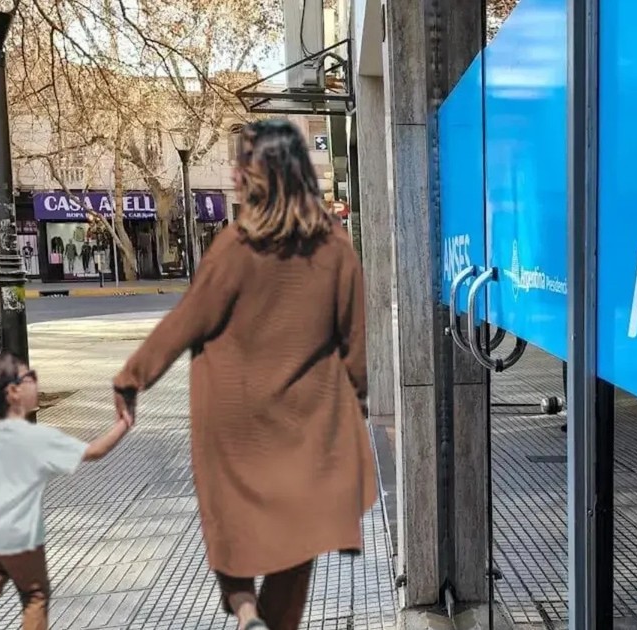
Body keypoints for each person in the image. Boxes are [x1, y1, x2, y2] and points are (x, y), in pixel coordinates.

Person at [112, 119, 375, 630]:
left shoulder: (238, 246)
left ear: (264, 174)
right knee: (295, 537)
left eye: (241, 165)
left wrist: (132, 376)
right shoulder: (335, 247)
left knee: (231, 523)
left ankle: (244, 607)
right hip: (306, 424)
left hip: (233, 424)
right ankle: (270, 620)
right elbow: (356, 343)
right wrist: (355, 406)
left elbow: (187, 320)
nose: (234, 174)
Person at [0, 354, 132, 629]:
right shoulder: (38, 438)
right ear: (13, 392)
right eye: (30, 377)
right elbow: (94, 451)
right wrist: (124, 422)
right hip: (19, 535)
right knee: (35, 594)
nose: (36, 382)